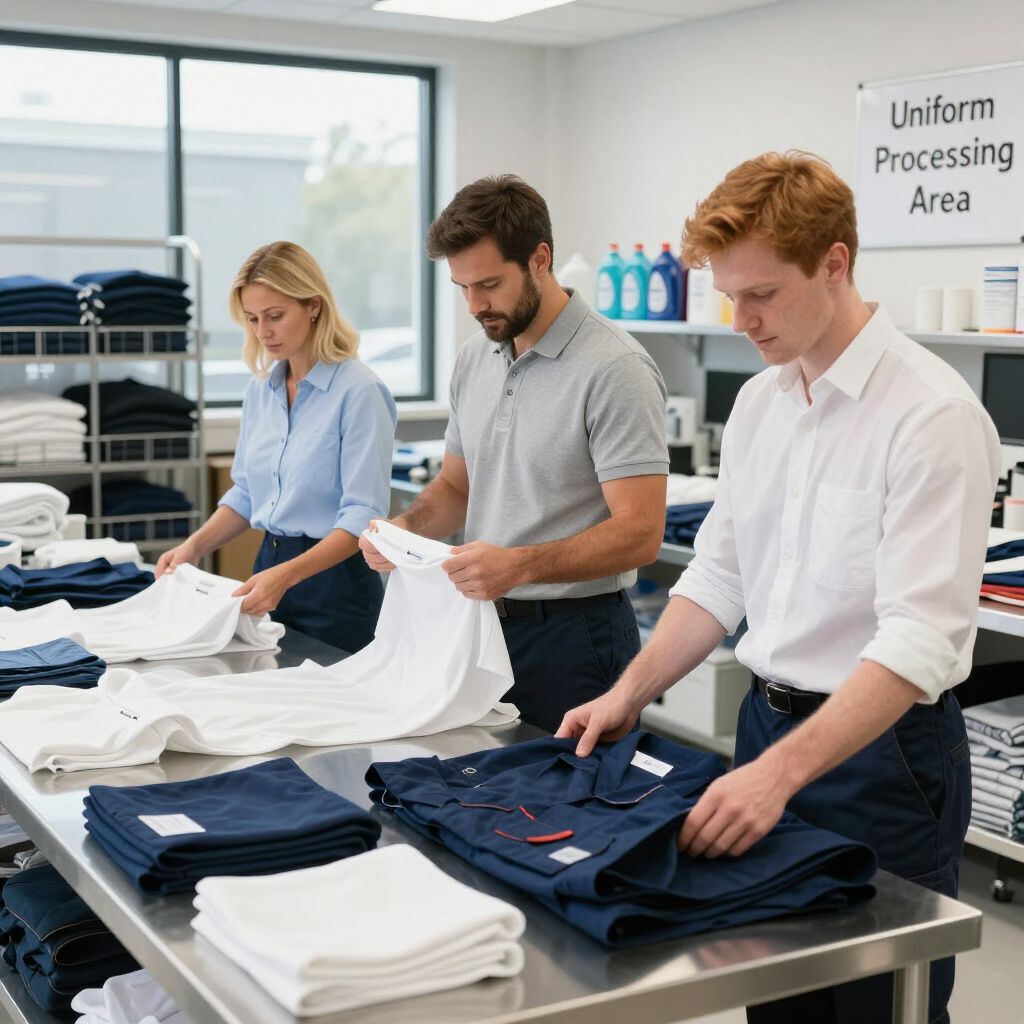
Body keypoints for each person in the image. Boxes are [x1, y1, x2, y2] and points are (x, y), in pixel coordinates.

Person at [555, 152, 1001, 1024]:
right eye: (729, 293)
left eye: (760, 293)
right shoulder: (763, 402)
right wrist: (628, 693)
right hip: (766, 727)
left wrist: (779, 776)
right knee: (776, 996)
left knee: (879, 1003)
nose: (740, 316)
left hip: (885, 757)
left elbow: (918, 641)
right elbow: (721, 575)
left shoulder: (931, 415)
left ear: (835, 263)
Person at [360, 175, 669, 732]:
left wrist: (518, 565)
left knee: (573, 806)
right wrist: (403, 530)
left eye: (489, 284)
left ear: (539, 259)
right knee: (480, 794)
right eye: (462, 287)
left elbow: (641, 533)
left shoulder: (615, 368)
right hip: (480, 628)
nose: (475, 305)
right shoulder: (475, 357)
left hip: (577, 638)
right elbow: (457, 487)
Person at [157, 241, 397, 653]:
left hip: (335, 584)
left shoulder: (360, 392)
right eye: (251, 319)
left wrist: (287, 575)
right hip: (268, 567)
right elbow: (248, 493)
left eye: (275, 316)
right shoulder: (260, 390)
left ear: (314, 306)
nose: (262, 332)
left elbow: (362, 516)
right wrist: (191, 548)